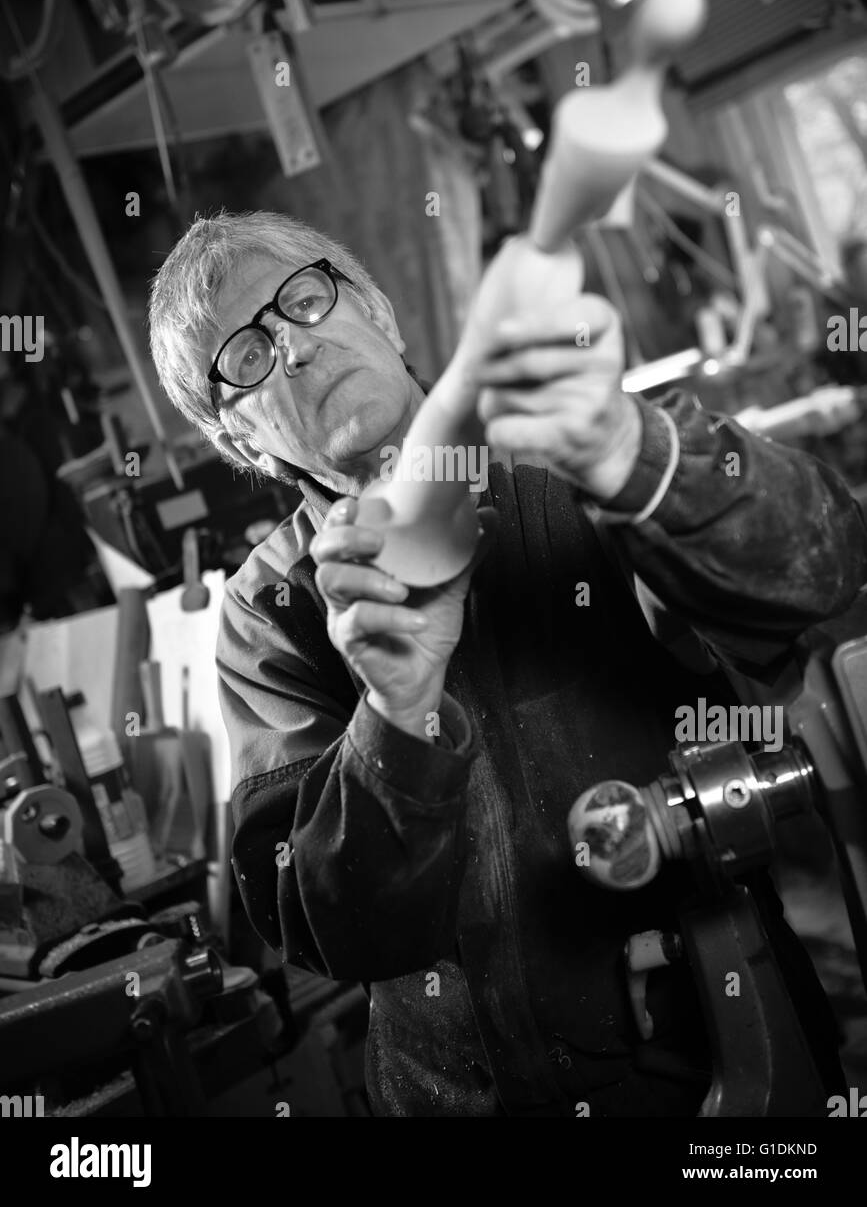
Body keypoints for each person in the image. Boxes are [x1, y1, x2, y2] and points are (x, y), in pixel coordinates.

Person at [149, 209, 867, 1117]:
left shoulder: (564, 447)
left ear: (380, 315)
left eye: (304, 300)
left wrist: (643, 456)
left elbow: (820, 569)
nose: (292, 347)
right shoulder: (271, 613)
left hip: (716, 1044)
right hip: (464, 1095)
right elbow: (327, 922)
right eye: (244, 357)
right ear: (245, 444)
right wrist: (396, 714)